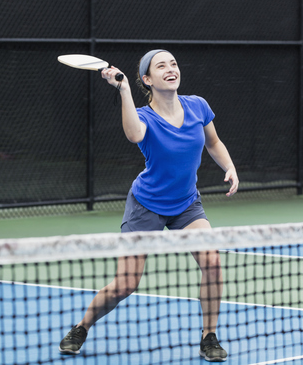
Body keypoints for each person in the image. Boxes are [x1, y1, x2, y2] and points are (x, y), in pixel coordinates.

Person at [58, 49, 239, 362]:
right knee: (126, 284)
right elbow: (132, 134)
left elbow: (213, 142)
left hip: (186, 204)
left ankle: (209, 336)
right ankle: (82, 326)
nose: (170, 69)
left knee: (212, 263)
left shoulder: (198, 106)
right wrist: (123, 88)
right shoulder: (144, 117)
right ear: (147, 79)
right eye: (161, 66)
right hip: (147, 206)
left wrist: (229, 166)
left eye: (173, 63)